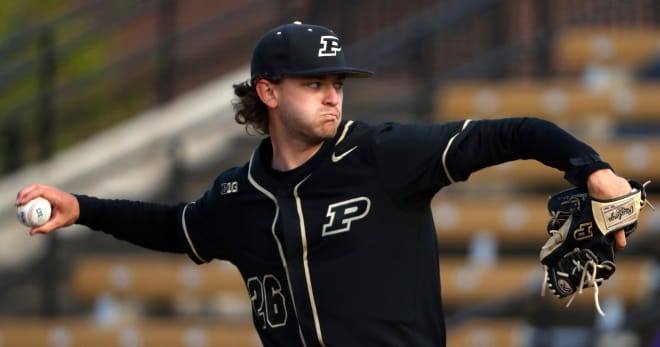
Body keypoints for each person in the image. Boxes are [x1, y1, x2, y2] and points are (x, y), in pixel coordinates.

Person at [16, 22, 634, 347]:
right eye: (314, 83)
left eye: (336, 81)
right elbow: (175, 227)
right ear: (268, 92)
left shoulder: (383, 154)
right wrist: (83, 209)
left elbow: (514, 132)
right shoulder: (239, 197)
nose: (332, 93)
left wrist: (592, 170)